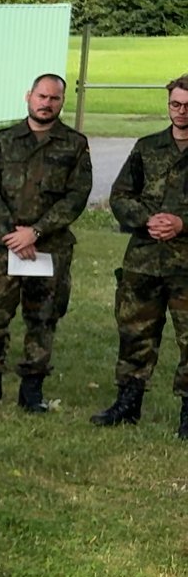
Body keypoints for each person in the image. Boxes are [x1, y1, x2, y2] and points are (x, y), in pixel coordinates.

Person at [0, 74, 93, 411]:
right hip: (2, 245)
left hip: (47, 247)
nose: (46, 103)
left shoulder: (74, 144)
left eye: (54, 98)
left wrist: (35, 232)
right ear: (28, 96)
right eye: (41, 96)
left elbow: (76, 196)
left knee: (43, 316)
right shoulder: (4, 141)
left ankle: (31, 389)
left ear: (62, 102)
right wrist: (12, 234)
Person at [91, 76, 188, 437]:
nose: (181, 112)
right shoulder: (148, 147)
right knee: (134, 333)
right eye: (175, 104)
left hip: (185, 264)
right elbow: (120, 196)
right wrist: (148, 219)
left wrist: (181, 222)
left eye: (187, 106)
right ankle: (128, 404)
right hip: (143, 261)